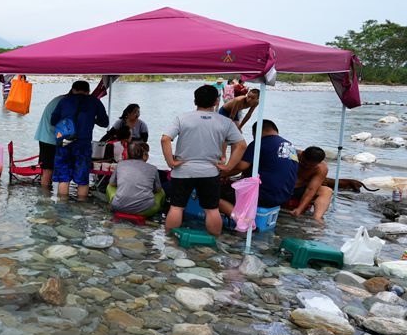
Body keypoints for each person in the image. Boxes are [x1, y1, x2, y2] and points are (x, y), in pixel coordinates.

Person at [162, 84, 247, 236]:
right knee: (212, 209)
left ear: (195, 101)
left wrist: (171, 162)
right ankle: (214, 242)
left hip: (183, 170)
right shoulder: (225, 122)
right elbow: (241, 145)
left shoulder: (182, 118)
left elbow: (165, 139)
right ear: (216, 101)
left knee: (176, 207)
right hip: (210, 171)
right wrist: (228, 167)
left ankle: (169, 240)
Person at [218, 120, 298, 216]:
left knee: (213, 192)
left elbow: (241, 167)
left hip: (264, 196)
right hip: (285, 196)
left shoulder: (259, 143)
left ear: (255, 132)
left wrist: (219, 174)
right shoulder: (290, 146)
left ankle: (240, 219)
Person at [49, 80, 109, 201]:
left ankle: (63, 205)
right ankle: (81, 207)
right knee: (82, 179)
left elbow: (53, 121)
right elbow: (105, 123)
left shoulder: (64, 101)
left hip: (64, 143)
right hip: (83, 144)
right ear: (88, 91)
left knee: (63, 178)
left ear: (73, 89)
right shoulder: (94, 102)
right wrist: (93, 119)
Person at [108, 140, 165, 216]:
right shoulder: (153, 169)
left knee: (109, 187)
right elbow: (157, 189)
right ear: (144, 155)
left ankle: (111, 207)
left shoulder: (120, 165)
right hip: (145, 209)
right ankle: (160, 212)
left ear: (127, 154)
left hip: (118, 206)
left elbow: (112, 183)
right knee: (161, 192)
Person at [288, 146, 333, 223]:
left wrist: (300, 209)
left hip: (300, 190)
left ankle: (317, 218)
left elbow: (311, 189)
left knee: (327, 191)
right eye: (304, 163)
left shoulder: (321, 168)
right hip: (284, 186)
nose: (306, 167)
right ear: (302, 154)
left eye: (311, 166)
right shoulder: (291, 156)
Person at [34, 91, 69, 189]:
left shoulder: (61, 98)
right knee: (48, 169)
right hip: (49, 138)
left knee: (47, 167)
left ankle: (46, 191)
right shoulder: (65, 102)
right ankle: (45, 195)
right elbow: (57, 122)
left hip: (46, 136)